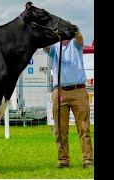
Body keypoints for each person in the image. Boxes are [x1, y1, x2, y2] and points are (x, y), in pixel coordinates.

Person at [43, 28, 93, 169]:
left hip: (78, 91)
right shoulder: (54, 47)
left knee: (84, 128)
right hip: (60, 92)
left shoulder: (76, 44)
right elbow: (44, 45)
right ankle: (63, 161)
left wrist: (74, 29)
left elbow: (79, 35)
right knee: (60, 129)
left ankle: (88, 160)